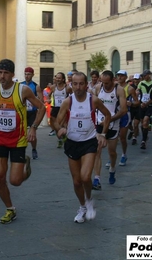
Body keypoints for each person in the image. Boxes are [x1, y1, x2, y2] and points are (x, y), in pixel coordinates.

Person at [0, 59, 45, 224]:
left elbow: (41, 107)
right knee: (0, 177)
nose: (2, 76)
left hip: (18, 141)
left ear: (13, 74)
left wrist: (34, 128)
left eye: (5, 73)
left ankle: (25, 169)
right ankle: (10, 209)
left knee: (14, 181)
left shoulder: (23, 90)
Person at [55, 72, 110, 223]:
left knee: (86, 176)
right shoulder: (68, 102)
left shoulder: (94, 100)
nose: (78, 87)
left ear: (86, 85)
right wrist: (59, 129)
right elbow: (57, 121)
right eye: (75, 84)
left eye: (81, 84)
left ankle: (89, 199)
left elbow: (107, 115)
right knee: (77, 181)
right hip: (72, 143)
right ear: (71, 85)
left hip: (89, 142)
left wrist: (103, 134)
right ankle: (82, 206)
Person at [92, 70, 127, 189]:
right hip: (99, 124)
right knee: (97, 150)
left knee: (112, 152)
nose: (104, 85)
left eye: (107, 83)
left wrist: (110, 119)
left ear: (113, 80)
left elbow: (123, 110)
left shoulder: (119, 90)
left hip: (113, 124)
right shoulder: (97, 88)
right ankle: (97, 179)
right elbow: (93, 104)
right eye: (102, 82)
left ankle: (112, 169)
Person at [116, 70, 139, 166]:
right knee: (112, 138)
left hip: (125, 114)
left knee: (122, 137)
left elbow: (137, 102)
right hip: (115, 114)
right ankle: (112, 156)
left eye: (122, 76)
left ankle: (124, 154)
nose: (120, 77)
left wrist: (132, 103)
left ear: (125, 77)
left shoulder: (130, 89)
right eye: (118, 76)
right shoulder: (114, 87)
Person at [21, 67, 43, 160]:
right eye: (25, 74)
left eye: (29, 74)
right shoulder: (20, 85)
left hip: (32, 112)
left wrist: (34, 100)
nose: (27, 76)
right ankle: (21, 149)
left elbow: (41, 100)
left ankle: (34, 149)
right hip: (23, 111)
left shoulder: (36, 86)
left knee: (32, 132)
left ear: (32, 75)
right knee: (22, 132)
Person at [49, 72, 72, 148]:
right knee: (54, 122)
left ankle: (62, 137)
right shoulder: (53, 87)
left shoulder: (67, 88)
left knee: (62, 124)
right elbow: (49, 94)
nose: (57, 79)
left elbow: (72, 96)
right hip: (55, 107)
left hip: (64, 108)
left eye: (59, 78)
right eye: (56, 78)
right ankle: (61, 137)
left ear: (63, 79)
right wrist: (49, 99)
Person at [137, 69, 152, 149]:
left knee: (146, 121)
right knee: (143, 124)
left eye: (144, 75)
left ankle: (143, 141)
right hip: (142, 105)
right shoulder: (141, 83)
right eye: (143, 76)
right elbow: (138, 92)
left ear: (149, 75)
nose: (143, 77)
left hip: (150, 105)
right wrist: (137, 94)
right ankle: (145, 137)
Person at [129, 73, 142, 145]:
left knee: (136, 124)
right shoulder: (131, 87)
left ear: (140, 79)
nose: (136, 81)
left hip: (138, 107)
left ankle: (134, 137)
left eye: (137, 79)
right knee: (128, 123)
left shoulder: (142, 86)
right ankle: (132, 131)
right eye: (135, 79)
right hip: (131, 106)